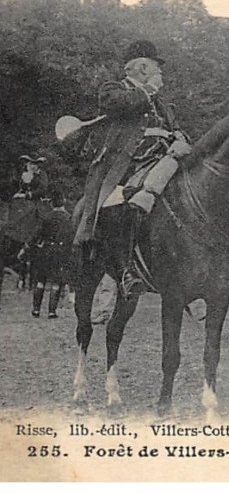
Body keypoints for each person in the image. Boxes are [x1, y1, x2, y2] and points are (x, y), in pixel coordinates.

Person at [73, 40, 192, 293]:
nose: (161, 73)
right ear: (142, 67)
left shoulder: (161, 103)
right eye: (157, 67)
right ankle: (126, 270)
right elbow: (118, 105)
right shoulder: (113, 90)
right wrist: (148, 90)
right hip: (126, 163)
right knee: (121, 203)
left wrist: (181, 139)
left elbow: (176, 128)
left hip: (164, 159)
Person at [19, 190, 71, 318]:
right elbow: (70, 238)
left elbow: (35, 235)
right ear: (63, 202)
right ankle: (51, 312)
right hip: (60, 252)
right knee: (56, 283)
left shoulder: (46, 217)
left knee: (40, 281)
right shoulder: (68, 218)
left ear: (52, 203)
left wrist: (24, 248)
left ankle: (36, 310)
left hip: (45, 250)